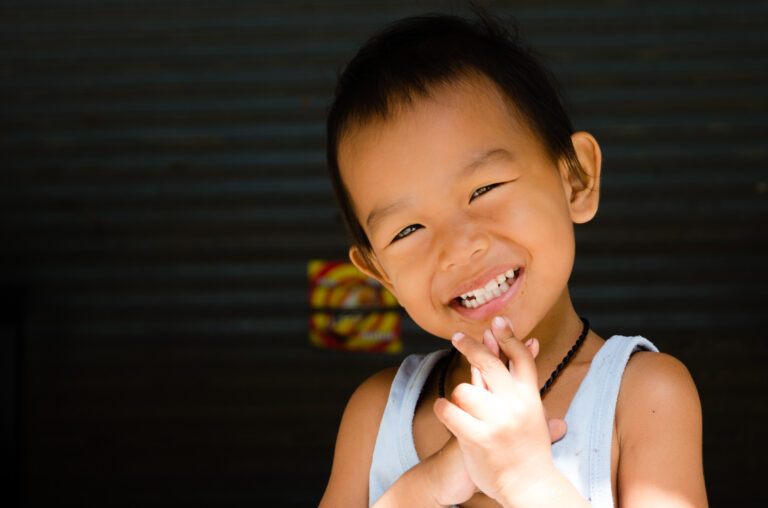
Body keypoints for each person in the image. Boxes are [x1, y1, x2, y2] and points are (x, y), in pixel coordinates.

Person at [318, 12, 707, 508]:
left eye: (484, 188)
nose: (459, 248)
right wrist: (431, 483)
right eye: (408, 229)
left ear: (576, 179)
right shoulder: (376, 416)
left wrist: (526, 482)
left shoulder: (645, 397)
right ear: (380, 274)